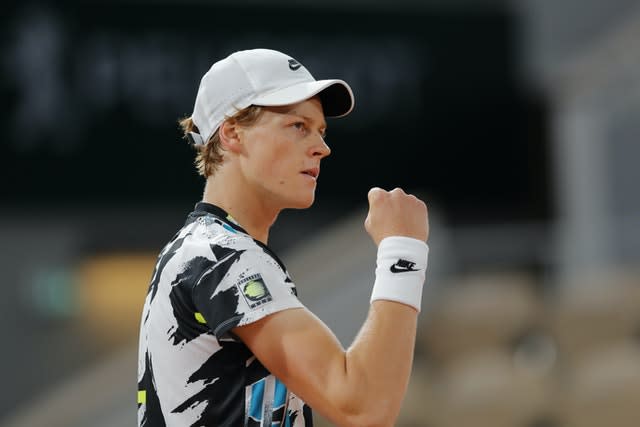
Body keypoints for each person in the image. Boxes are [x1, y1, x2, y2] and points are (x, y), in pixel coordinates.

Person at [137, 48, 430, 427]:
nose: (322, 148)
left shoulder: (208, 248)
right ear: (232, 133)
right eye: (298, 126)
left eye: (321, 131)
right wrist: (401, 251)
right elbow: (363, 407)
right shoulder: (220, 254)